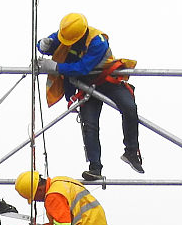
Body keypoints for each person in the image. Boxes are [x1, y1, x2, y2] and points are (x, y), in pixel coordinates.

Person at [36, 13, 141, 183]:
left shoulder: (97, 41)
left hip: (106, 79)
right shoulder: (67, 33)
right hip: (85, 84)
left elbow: (82, 68)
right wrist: (43, 45)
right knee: (90, 125)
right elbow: (49, 45)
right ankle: (95, 168)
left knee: (129, 108)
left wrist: (56, 67)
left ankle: (131, 151)